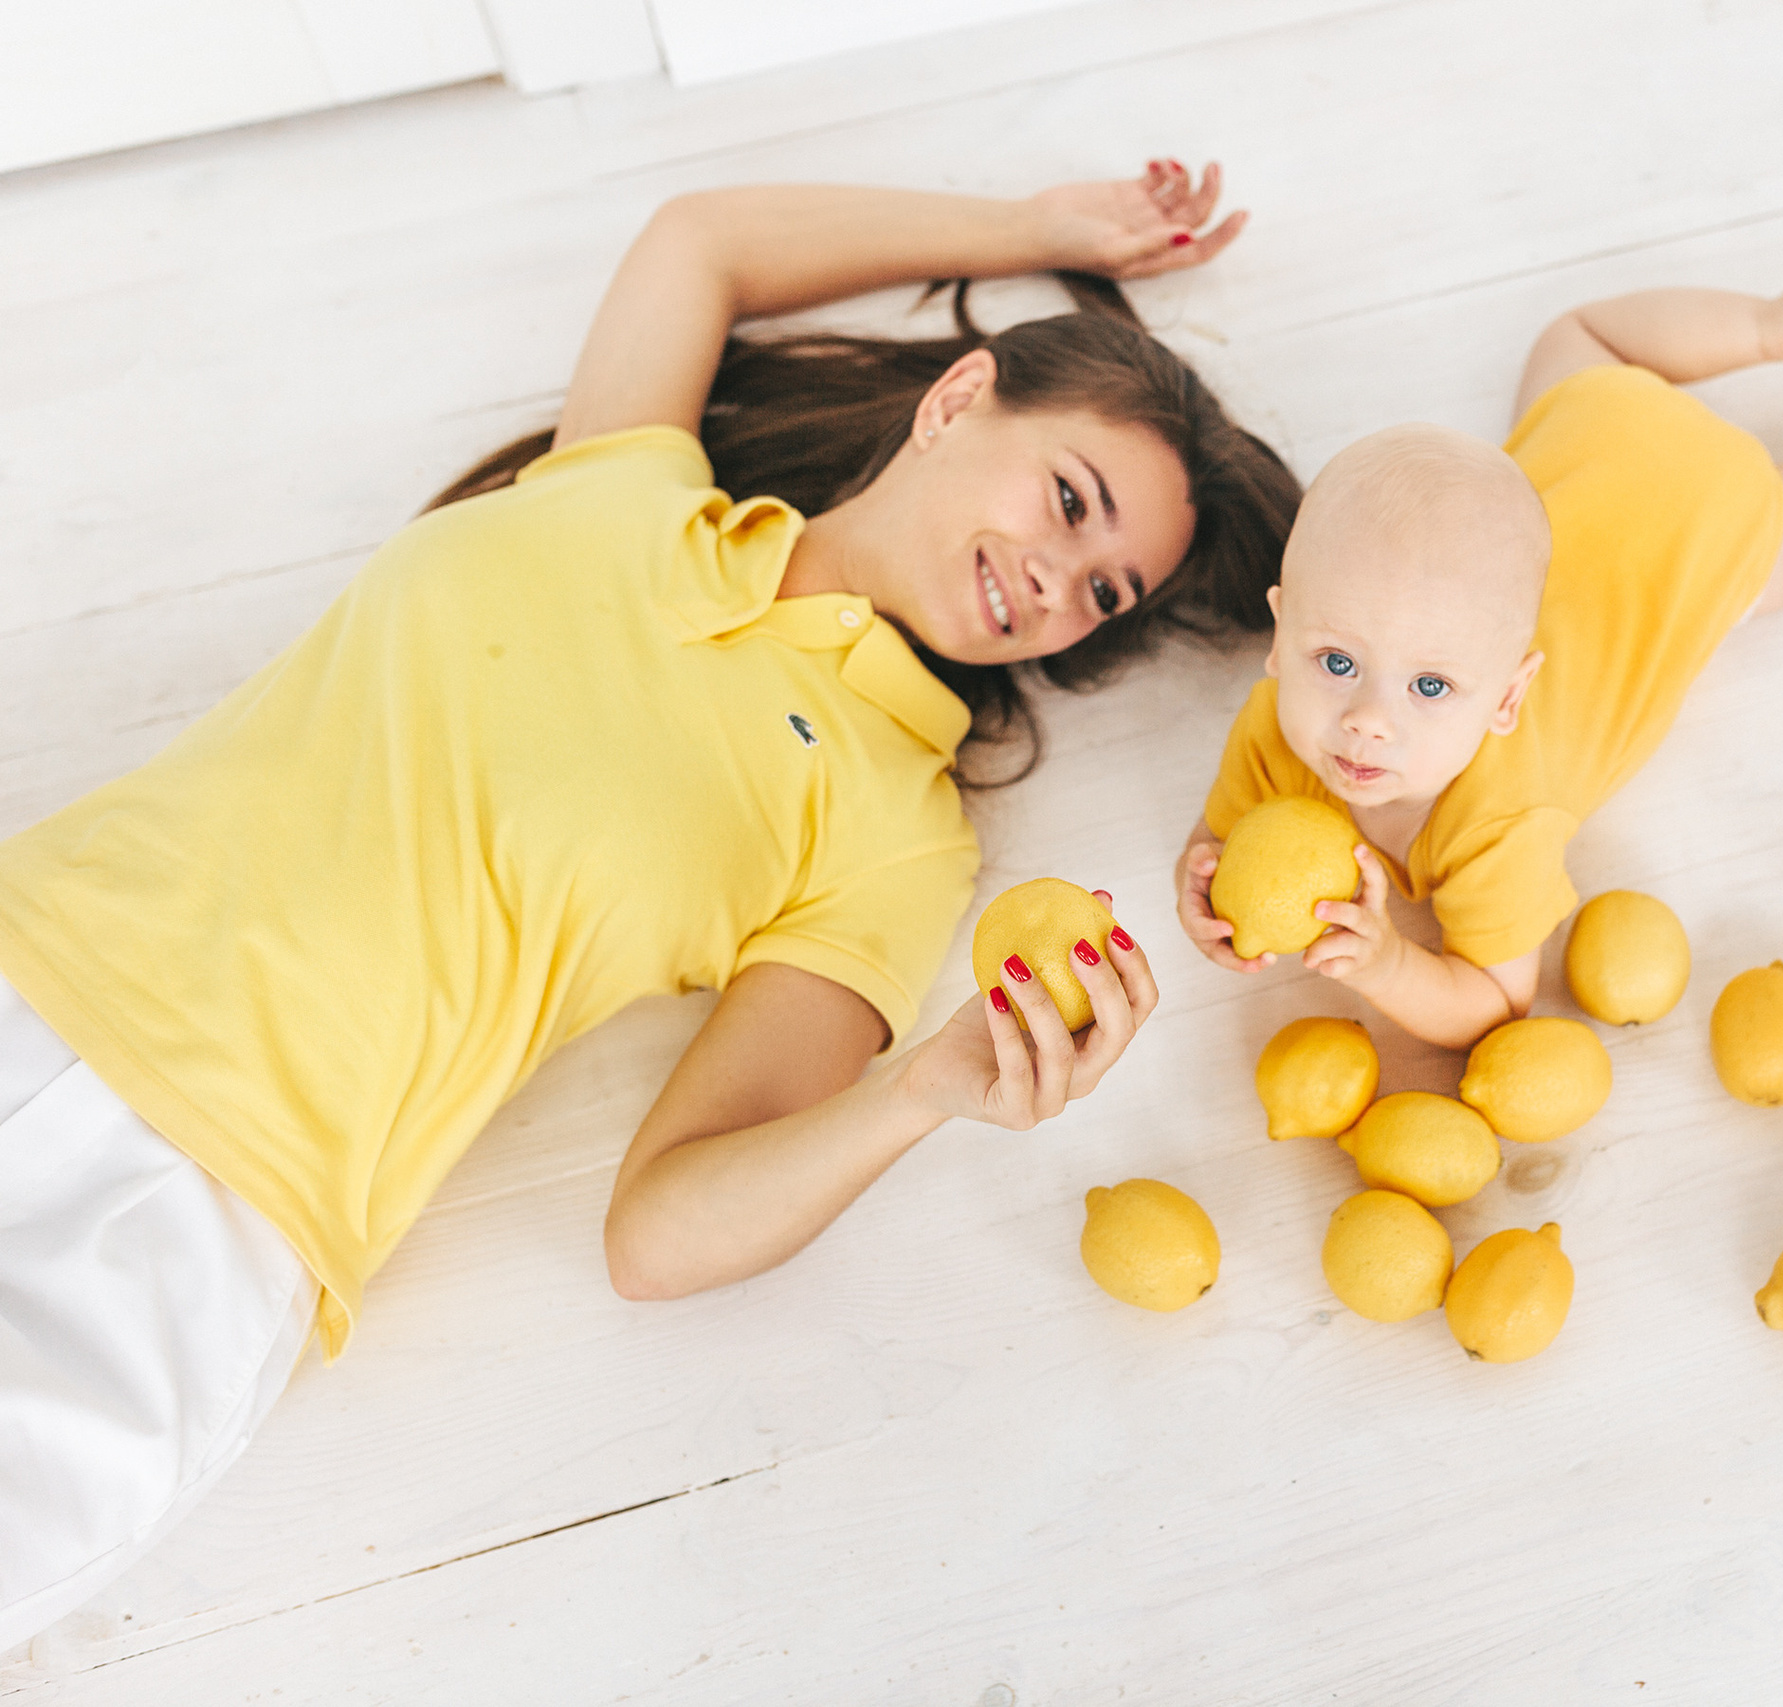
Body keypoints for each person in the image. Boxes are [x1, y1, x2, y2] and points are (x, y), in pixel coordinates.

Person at [0, 161, 1298, 1650]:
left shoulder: (893, 835)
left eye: (1107, 590)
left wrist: (929, 1089)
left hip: (215, 1211)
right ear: (958, 401)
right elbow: (706, 240)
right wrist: (1038, 235)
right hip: (33, 950)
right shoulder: (628, 476)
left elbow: (661, 1230)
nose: (1061, 578)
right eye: (1070, 499)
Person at [1174, 228, 1783, 1047]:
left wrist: (1388, 967)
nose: (1367, 723)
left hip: (1703, 523)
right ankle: (1775, 324)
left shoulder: (1501, 827)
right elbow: (1220, 834)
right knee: (1581, 335)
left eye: (1432, 688)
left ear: (1509, 697)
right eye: (1336, 662)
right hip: (1588, 428)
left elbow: (1495, 998)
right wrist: (1202, 872)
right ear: (1278, 637)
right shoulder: (1275, 723)